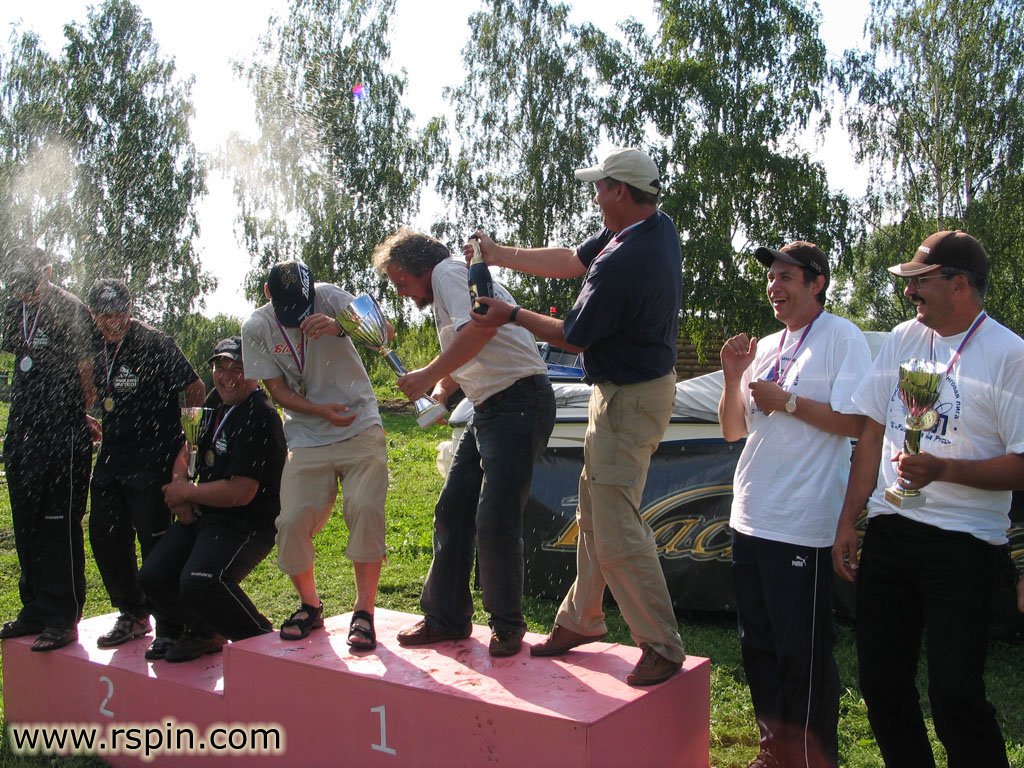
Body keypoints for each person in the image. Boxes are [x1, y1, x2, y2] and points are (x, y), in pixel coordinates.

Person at [468, 146, 686, 685]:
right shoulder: (651, 228)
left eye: (599, 186)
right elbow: (571, 260)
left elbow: (572, 335)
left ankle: (661, 644)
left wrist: (510, 314)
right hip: (626, 394)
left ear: (619, 191)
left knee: (615, 526)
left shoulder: (624, 259)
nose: (594, 195)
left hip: (628, 400)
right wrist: (498, 255)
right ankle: (581, 619)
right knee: (596, 511)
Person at [833, 230, 1024, 768]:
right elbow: (872, 432)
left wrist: (944, 469)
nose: (909, 292)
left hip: (965, 544)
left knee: (956, 696)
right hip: (891, 528)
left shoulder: (1010, 354)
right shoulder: (903, 337)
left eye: (920, 281)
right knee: (880, 683)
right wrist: (849, 520)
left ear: (959, 284)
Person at [718, 242, 870, 768]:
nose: (773, 287)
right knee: (757, 645)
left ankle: (809, 758)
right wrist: (733, 376)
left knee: (801, 653)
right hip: (750, 514)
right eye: (771, 278)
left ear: (816, 282)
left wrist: (788, 402)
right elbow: (734, 430)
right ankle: (773, 750)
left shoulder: (842, 337)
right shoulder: (764, 346)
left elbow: (857, 422)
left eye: (785, 277)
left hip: (803, 522)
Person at [372, 228, 555, 657]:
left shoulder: (449, 274)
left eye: (401, 281)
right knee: (453, 509)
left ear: (421, 266)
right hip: (492, 406)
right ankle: (447, 617)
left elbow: (480, 331)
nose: (401, 292)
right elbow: (467, 346)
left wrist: (426, 375)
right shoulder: (450, 280)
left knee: (495, 518)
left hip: (517, 402)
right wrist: (440, 391)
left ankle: (507, 625)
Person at [241, 261, 387, 649]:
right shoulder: (255, 326)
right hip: (307, 433)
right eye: (288, 309)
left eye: (303, 306)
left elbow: (385, 333)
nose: (298, 316)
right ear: (268, 294)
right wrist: (320, 411)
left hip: (359, 422)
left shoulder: (331, 296)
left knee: (365, 509)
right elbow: (277, 390)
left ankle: (364, 612)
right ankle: (310, 606)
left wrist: (342, 326)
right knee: (290, 522)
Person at [137, 337, 286, 662]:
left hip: (247, 521)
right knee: (152, 576)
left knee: (201, 580)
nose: (227, 376)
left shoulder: (260, 414)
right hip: (207, 514)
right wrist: (180, 485)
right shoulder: (217, 400)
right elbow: (188, 446)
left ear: (255, 372)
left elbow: (242, 491)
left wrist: (188, 493)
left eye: (237, 368)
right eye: (221, 367)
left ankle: (263, 644)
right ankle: (207, 633)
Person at [86, 278, 205, 649]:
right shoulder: (93, 343)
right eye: (105, 315)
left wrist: (190, 445)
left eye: (119, 314)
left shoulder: (155, 342)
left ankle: (170, 624)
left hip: (154, 457)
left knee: (154, 542)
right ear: (93, 315)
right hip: (112, 455)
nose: (113, 322)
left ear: (130, 310)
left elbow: (195, 387)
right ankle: (133, 613)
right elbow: (93, 387)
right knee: (105, 534)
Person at [0, 245, 96, 652]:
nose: (25, 293)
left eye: (30, 284)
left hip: (62, 431)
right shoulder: (12, 308)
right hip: (23, 428)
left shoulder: (69, 308)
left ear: (48, 272)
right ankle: (34, 608)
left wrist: (77, 414)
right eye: (17, 285)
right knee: (26, 522)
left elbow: (87, 370)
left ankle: (62, 616)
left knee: (58, 524)